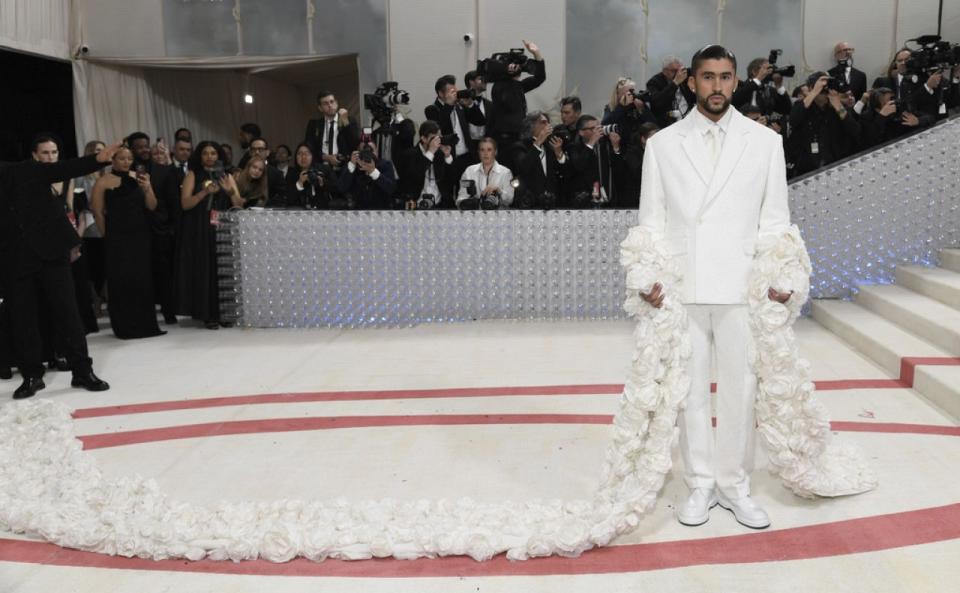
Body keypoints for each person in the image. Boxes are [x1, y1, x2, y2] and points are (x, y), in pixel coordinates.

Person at [637, 44, 793, 530]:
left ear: (736, 82)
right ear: (692, 83)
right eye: (708, 77)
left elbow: (775, 220)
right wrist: (648, 275)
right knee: (690, 393)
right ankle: (700, 481)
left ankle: (733, 482)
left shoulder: (765, 142)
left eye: (726, 77)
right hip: (684, 285)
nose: (718, 87)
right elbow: (652, 220)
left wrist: (780, 274)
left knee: (740, 390)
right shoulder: (662, 144)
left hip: (741, 282)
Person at [0, 139, 121, 398]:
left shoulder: (21, 169)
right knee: (23, 320)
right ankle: (32, 376)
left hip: (51, 250)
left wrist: (97, 160)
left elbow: (62, 169)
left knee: (67, 313)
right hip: (14, 258)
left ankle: (82, 372)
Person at [90, 147, 165, 340]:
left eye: (129, 158)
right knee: (121, 279)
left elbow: (152, 205)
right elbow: (97, 211)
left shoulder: (139, 177)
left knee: (142, 278)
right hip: (116, 236)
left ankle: (146, 324)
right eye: (122, 158)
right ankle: (125, 325)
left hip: (140, 235)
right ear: (112, 160)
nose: (126, 162)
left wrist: (147, 186)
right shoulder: (103, 182)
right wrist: (107, 234)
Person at [175, 141, 244, 329]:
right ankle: (208, 314)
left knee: (223, 267)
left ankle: (225, 313)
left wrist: (230, 191)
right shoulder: (192, 175)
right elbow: (185, 204)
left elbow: (238, 204)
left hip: (223, 226)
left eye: (213, 153)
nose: (210, 156)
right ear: (200, 156)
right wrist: (204, 192)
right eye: (205, 153)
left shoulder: (226, 175)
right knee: (205, 268)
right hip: (199, 228)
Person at [127, 131, 180, 325]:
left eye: (145, 145)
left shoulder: (164, 171)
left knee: (164, 273)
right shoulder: (125, 173)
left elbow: (174, 202)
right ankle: (144, 314)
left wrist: (173, 227)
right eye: (139, 146)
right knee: (140, 273)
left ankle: (169, 312)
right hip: (135, 230)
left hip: (161, 228)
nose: (143, 149)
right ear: (131, 149)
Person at [787, 72, 862, 176]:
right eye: (822, 87)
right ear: (810, 88)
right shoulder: (802, 105)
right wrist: (814, 92)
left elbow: (855, 130)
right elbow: (793, 120)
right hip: (807, 167)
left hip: (834, 165)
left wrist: (838, 105)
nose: (824, 90)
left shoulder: (837, 108)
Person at [424, 74, 486, 195]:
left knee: (466, 193)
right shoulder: (432, 109)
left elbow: (480, 121)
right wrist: (448, 105)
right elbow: (438, 127)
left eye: (455, 90)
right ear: (441, 94)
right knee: (446, 193)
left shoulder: (460, 106)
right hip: (446, 158)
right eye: (451, 91)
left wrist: (470, 104)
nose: (455, 94)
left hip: (465, 158)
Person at [487, 40, 546, 148]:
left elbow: (539, 78)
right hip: (503, 140)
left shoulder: (517, 86)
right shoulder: (499, 86)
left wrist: (537, 54)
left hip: (518, 138)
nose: (516, 67)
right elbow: (507, 100)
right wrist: (506, 70)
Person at [75, 140, 108, 318]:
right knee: (93, 267)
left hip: (107, 226)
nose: (100, 153)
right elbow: (79, 203)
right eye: (96, 150)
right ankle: (95, 300)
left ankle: (103, 298)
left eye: (103, 150)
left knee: (104, 266)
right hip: (89, 228)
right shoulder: (81, 177)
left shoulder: (107, 174)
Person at [566, 115, 624, 208]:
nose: (598, 131)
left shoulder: (605, 145)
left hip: (608, 199)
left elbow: (619, 170)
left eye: (599, 127)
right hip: (584, 200)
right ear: (581, 132)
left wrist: (616, 147)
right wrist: (591, 143)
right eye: (593, 128)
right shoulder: (573, 147)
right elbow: (579, 165)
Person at [511, 111, 566, 209]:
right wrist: (538, 141)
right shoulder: (520, 146)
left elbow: (564, 173)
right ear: (531, 125)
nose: (548, 125)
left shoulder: (550, 146)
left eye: (548, 122)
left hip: (551, 201)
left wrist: (559, 154)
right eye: (543, 122)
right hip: (529, 202)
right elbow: (523, 167)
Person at [397, 121, 453, 209]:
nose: (437, 141)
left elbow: (450, 180)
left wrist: (447, 156)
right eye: (434, 138)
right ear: (423, 138)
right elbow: (414, 177)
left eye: (439, 137)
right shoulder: (409, 155)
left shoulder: (440, 154)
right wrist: (430, 153)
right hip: (416, 206)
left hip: (440, 205)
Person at [304, 91, 360, 168]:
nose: (330, 105)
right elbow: (309, 148)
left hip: (345, 168)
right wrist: (327, 157)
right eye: (325, 103)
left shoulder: (349, 121)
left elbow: (355, 144)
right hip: (322, 168)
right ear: (320, 108)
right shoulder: (314, 125)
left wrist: (345, 121)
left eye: (332, 102)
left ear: (336, 103)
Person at [456, 137, 514, 210]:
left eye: (489, 150)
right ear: (478, 152)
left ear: (495, 152)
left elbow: (510, 200)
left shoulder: (506, 173)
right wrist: (468, 203)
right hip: (474, 216)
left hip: (499, 216)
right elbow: (461, 197)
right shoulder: (469, 171)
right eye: (482, 150)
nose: (485, 153)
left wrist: (499, 191)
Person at [337, 141, 397, 210]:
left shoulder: (385, 165)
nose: (368, 155)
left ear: (377, 152)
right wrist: (352, 165)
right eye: (364, 152)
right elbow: (341, 188)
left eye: (371, 151)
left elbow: (391, 189)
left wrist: (373, 172)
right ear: (358, 153)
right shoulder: (353, 166)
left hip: (381, 210)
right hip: (358, 211)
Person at [646, 55, 696, 127]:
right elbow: (656, 102)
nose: (678, 73)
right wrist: (675, 83)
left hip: (689, 120)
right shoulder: (654, 82)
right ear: (665, 71)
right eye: (674, 71)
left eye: (680, 70)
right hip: (667, 123)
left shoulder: (685, 75)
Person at [287, 142, 334, 209]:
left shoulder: (324, 170)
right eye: (300, 154)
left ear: (312, 156)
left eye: (307, 153)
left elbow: (336, 190)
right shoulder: (291, 174)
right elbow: (289, 199)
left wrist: (322, 184)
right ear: (296, 157)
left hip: (321, 214)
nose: (303, 156)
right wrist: (299, 183)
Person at [464, 70, 493, 141]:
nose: (485, 81)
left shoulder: (489, 104)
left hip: (485, 143)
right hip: (467, 145)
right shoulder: (460, 102)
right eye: (481, 79)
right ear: (471, 82)